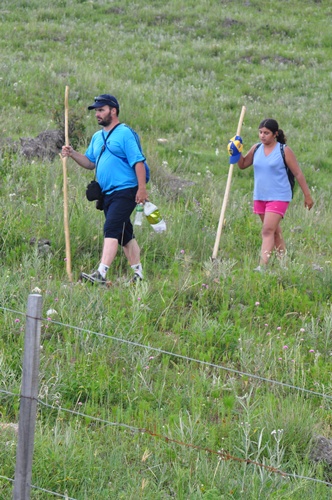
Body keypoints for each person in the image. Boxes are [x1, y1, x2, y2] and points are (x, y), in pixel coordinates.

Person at [61, 94, 148, 284]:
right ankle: (139, 275)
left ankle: (101, 274)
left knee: (111, 228)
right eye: (96, 111)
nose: (97, 114)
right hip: (107, 194)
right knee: (125, 234)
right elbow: (90, 163)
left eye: (101, 110)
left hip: (126, 190)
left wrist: (142, 189)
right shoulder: (97, 137)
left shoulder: (124, 133)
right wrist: (72, 153)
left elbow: (138, 162)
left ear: (113, 111)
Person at [228, 118, 314, 271]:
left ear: (275, 134)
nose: (262, 136)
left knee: (267, 230)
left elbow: (298, 174)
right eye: (260, 132)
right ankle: (283, 264)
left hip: (279, 195)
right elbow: (242, 165)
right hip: (260, 196)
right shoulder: (256, 148)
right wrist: (236, 151)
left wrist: (307, 196)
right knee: (275, 231)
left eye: (266, 133)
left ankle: (262, 267)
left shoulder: (284, 150)